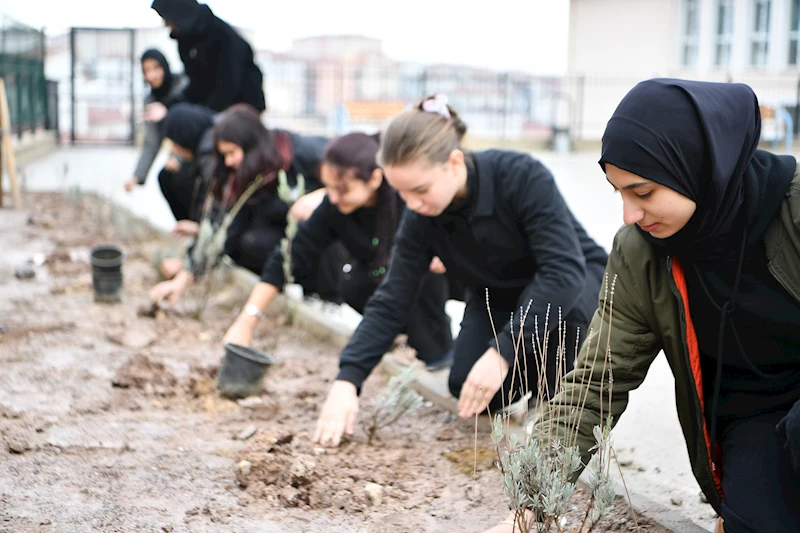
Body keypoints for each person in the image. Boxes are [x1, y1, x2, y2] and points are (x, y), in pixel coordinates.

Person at [483, 79, 800, 533]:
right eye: (619, 193)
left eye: (644, 192)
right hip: (755, 417)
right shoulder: (639, 251)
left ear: (697, 166)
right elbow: (595, 381)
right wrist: (531, 503)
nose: (629, 214)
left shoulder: (793, 207)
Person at [313, 94, 608, 448]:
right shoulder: (421, 216)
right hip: (499, 294)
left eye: (420, 190)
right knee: (467, 384)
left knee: (562, 322)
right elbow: (392, 298)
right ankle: (536, 374)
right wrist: (348, 379)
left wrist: (504, 352)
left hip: (573, 285)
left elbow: (563, 272)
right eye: (402, 194)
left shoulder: (521, 176)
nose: (413, 205)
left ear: (453, 163)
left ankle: (554, 399)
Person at [223, 132, 454, 370]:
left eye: (342, 189)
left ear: (375, 178)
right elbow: (290, 255)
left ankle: (438, 355)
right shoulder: (334, 206)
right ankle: (391, 338)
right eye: (328, 188)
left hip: (426, 285)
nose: (333, 197)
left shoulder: (404, 201)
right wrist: (247, 320)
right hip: (379, 283)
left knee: (424, 282)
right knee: (353, 283)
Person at [149, 104, 344, 306]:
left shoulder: (302, 153)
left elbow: (357, 166)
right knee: (248, 242)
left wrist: (323, 194)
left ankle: (327, 300)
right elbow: (226, 228)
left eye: (232, 152)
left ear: (250, 144)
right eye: (224, 155)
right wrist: (182, 279)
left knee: (317, 222)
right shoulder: (250, 176)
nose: (229, 161)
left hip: (332, 242)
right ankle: (275, 289)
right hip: (288, 236)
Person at [149, 0, 265, 116]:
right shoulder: (186, 40)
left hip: (241, 112)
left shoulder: (225, 38)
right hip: (212, 108)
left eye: (167, 20)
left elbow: (228, 87)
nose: (166, 25)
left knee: (179, 118)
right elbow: (195, 86)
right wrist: (167, 106)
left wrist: (202, 115)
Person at [125, 49, 188, 193]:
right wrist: (137, 176)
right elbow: (152, 141)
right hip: (177, 155)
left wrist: (178, 157)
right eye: (146, 71)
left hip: (194, 149)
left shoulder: (183, 86)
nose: (151, 75)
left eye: (156, 68)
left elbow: (189, 125)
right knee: (165, 178)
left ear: (164, 66)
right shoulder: (150, 100)